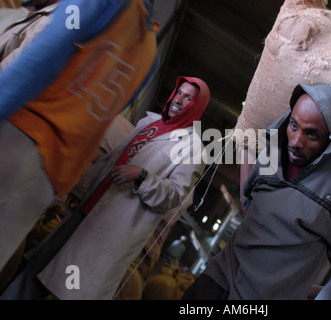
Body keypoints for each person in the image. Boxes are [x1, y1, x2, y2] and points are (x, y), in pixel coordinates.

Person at [7, 76, 209, 301]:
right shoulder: (149, 123)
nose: (179, 100)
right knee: (38, 266)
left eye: (188, 98)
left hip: (111, 227)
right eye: (179, 93)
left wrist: (142, 176)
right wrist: (82, 189)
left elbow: (174, 196)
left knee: (64, 287)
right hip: (87, 209)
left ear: (197, 106)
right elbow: (113, 158)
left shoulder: (193, 150)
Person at [0, 0, 159, 272]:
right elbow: (108, 115)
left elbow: (45, 53)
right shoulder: (150, 52)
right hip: (51, 174)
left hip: (19, 137)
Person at [183, 83, 331, 300]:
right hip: (217, 280)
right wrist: (246, 145)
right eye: (293, 125)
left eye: (312, 135)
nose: (296, 141)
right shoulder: (274, 151)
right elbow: (250, 203)